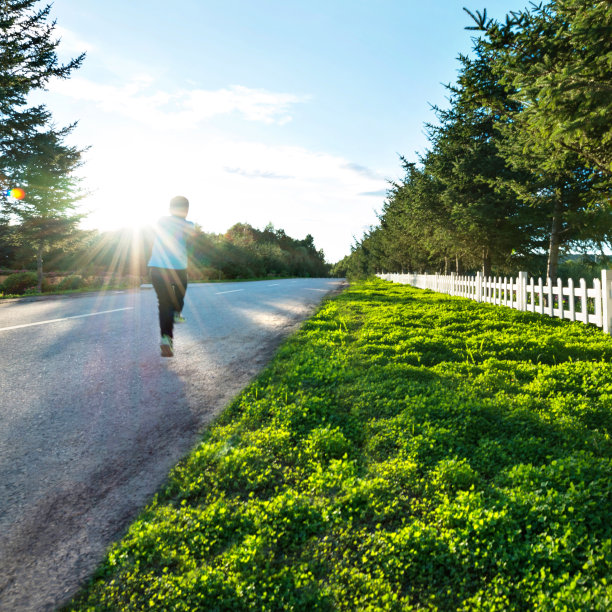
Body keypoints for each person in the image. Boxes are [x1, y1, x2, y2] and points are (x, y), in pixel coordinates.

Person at [148, 195, 196, 357]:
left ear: (170, 209)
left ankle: (166, 338)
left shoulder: (161, 221)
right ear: (187, 210)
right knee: (178, 297)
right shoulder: (190, 225)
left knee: (164, 304)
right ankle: (176, 313)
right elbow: (191, 244)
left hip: (156, 268)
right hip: (177, 269)